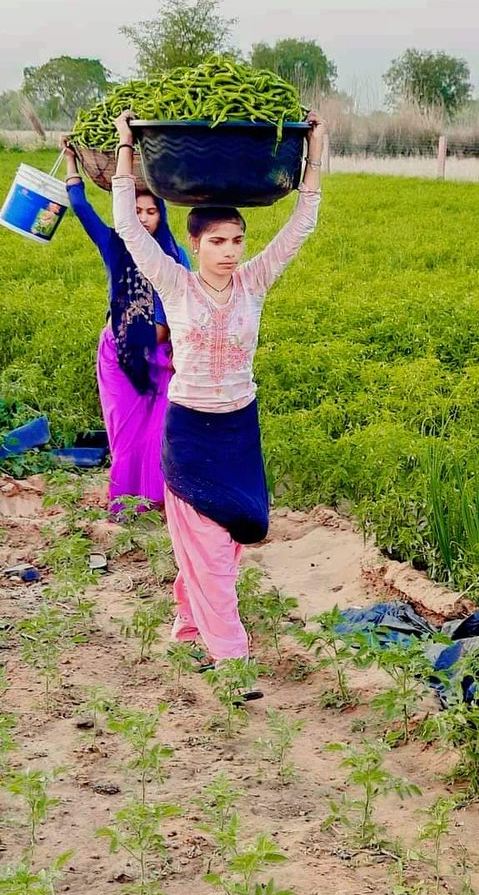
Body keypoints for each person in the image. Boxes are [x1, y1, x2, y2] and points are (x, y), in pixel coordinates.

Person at [110, 109, 323, 674]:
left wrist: (316, 151)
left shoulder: (254, 282)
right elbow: (130, 228)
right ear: (195, 244)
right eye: (219, 241)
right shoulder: (176, 285)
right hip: (190, 429)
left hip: (237, 428)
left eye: (237, 239)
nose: (230, 250)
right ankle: (231, 657)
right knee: (207, 547)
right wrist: (126, 148)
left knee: (227, 539)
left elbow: (302, 224)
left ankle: (186, 623)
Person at [62, 138, 191, 513]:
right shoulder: (115, 245)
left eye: (151, 211)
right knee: (125, 433)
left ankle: (155, 498)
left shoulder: (174, 253)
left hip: (162, 358)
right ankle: (125, 503)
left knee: (159, 431)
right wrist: (72, 161)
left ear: (161, 214)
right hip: (120, 354)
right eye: (136, 211)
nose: (145, 218)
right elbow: (81, 207)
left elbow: (183, 300)